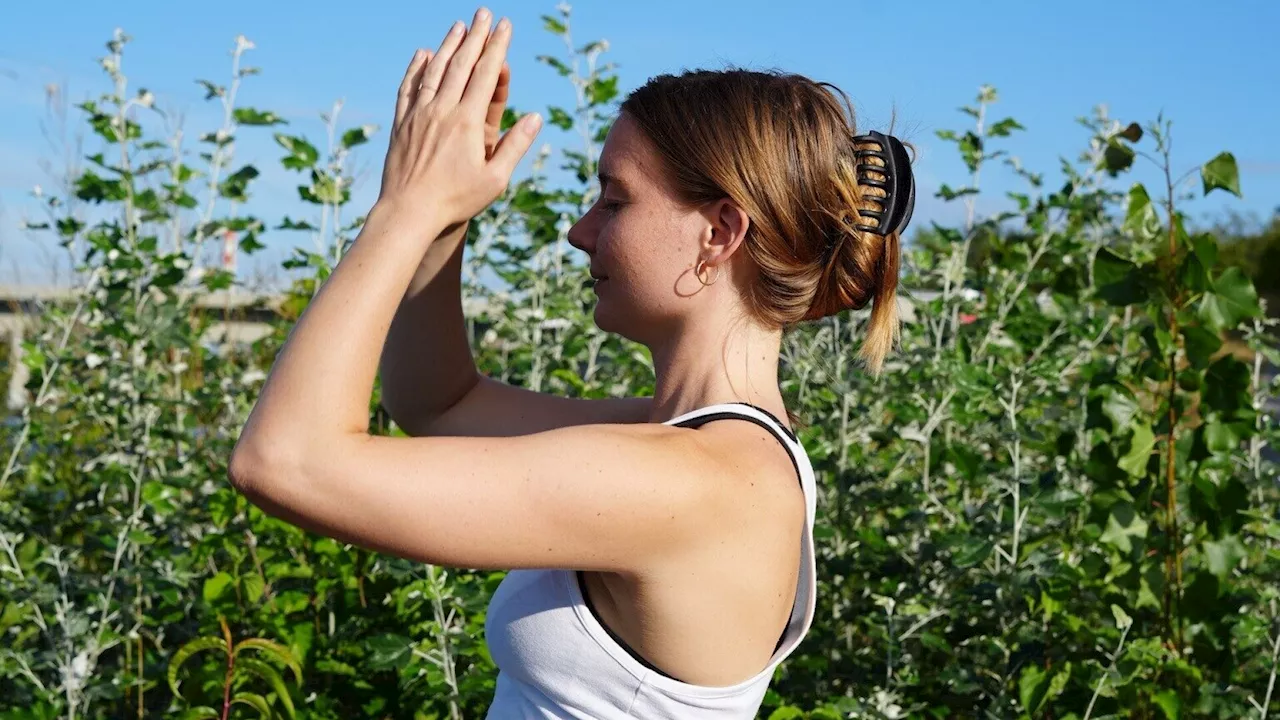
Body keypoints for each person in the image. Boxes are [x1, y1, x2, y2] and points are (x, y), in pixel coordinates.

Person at [229, 7, 914, 718]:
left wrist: (404, 206)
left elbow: (282, 461)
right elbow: (438, 405)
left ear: (718, 233)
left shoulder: (693, 482)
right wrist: (445, 220)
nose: (580, 231)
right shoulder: (696, 449)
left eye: (615, 200)